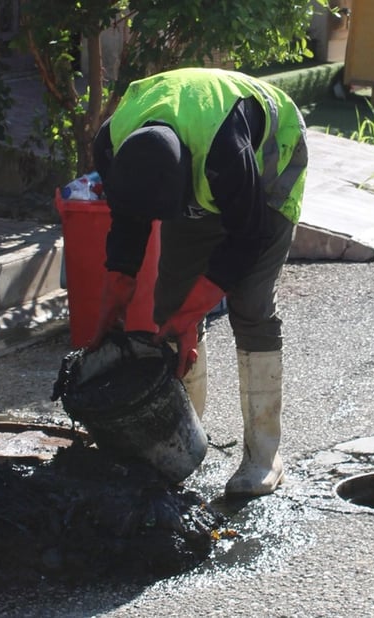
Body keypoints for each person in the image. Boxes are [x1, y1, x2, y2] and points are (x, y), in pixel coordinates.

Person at [88, 67, 308, 496]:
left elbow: (248, 239)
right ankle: (183, 441)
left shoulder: (226, 150)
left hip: (269, 165)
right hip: (202, 169)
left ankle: (264, 457)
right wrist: (109, 310)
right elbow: (127, 230)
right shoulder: (112, 146)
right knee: (170, 304)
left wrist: (193, 317)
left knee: (250, 304)